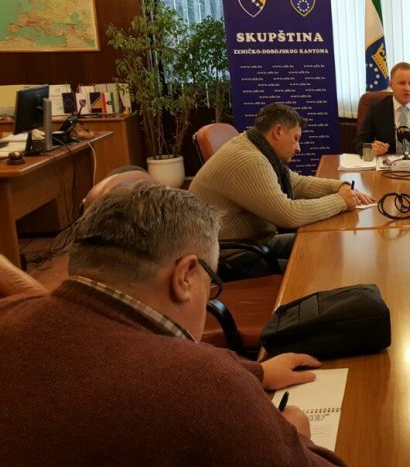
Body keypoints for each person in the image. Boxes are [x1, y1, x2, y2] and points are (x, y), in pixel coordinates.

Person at [0, 183, 346, 466]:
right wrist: (298, 437)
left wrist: (257, 371)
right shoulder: (204, 387)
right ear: (185, 276)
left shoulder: (10, 311)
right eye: (211, 281)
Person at [190, 103, 373, 278]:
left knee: (326, 243)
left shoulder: (256, 146)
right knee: (320, 267)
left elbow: (297, 183)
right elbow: (289, 214)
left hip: (254, 242)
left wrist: (339, 187)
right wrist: (340, 201)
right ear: (278, 131)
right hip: (232, 256)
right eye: (296, 138)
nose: (298, 148)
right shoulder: (250, 160)